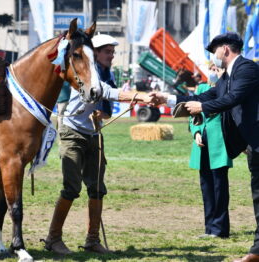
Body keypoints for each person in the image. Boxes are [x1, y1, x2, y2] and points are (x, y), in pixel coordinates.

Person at [150, 32, 259, 262]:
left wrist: (203, 108)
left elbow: (232, 99)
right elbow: (208, 95)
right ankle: (257, 251)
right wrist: (169, 99)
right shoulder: (229, 76)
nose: (213, 56)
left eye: (214, 51)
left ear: (225, 50)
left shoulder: (246, 69)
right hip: (253, 145)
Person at [43, 34, 151, 255]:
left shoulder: (106, 73)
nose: (111, 56)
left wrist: (105, 111)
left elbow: (106, 98)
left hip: (93, 134)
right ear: (96, 53)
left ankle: (92, 240)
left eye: (112, 52)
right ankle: (53, 239)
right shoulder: (85, 71)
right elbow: (107, 92)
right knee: (72, 188)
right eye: (107, 52)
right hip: (72, 133)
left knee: (97, 189)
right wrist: (141, 97)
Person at [189, 64, 232, 239]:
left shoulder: (229, 89)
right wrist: (196, 132)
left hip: (220, 143)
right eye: (212, 68)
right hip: (202, 143)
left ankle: (220, 229)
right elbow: (192, 113)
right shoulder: (202, 88)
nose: (214, 72)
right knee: (206, 187)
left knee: (219, 187)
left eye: (218, 69)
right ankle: (209, 228)